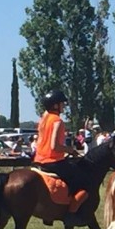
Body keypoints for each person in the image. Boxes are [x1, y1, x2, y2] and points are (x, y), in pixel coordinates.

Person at [34, 90, 88, 222]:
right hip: (53, 160)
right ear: (55, 105)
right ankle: (72, 213)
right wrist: (71, 150)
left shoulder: (43, 119)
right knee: (82, 181)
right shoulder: (57, 121)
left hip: (38, 159)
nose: (64, 106)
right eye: (62, 104)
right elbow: (54, 146)